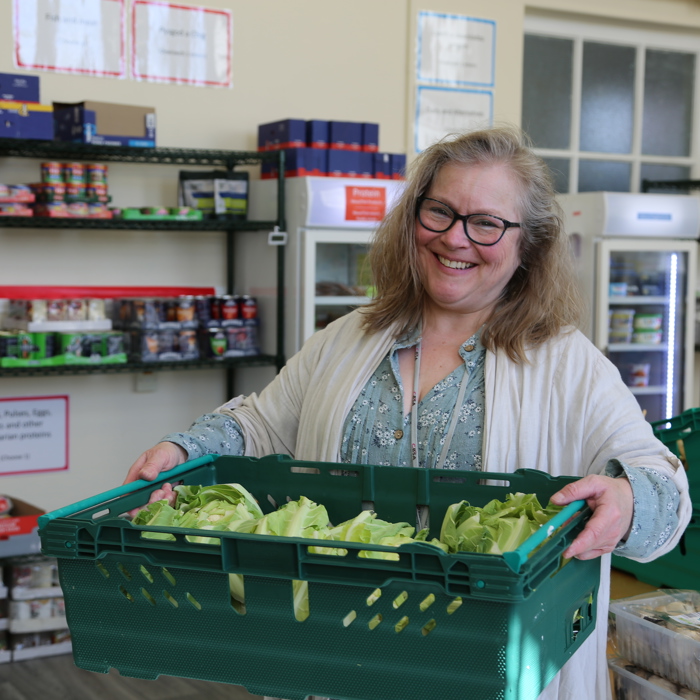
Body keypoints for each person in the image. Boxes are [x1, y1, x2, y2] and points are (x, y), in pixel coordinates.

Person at [125, 124, 691, 700]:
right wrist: (184, 450)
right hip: (334, 658)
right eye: (439, 211)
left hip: (482, 670)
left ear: (529, 245)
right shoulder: (345, 338)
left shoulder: (570, 365)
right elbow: (258, 423)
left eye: (487, 223)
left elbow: (662, 488)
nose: (455, 238)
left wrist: (626, 500)